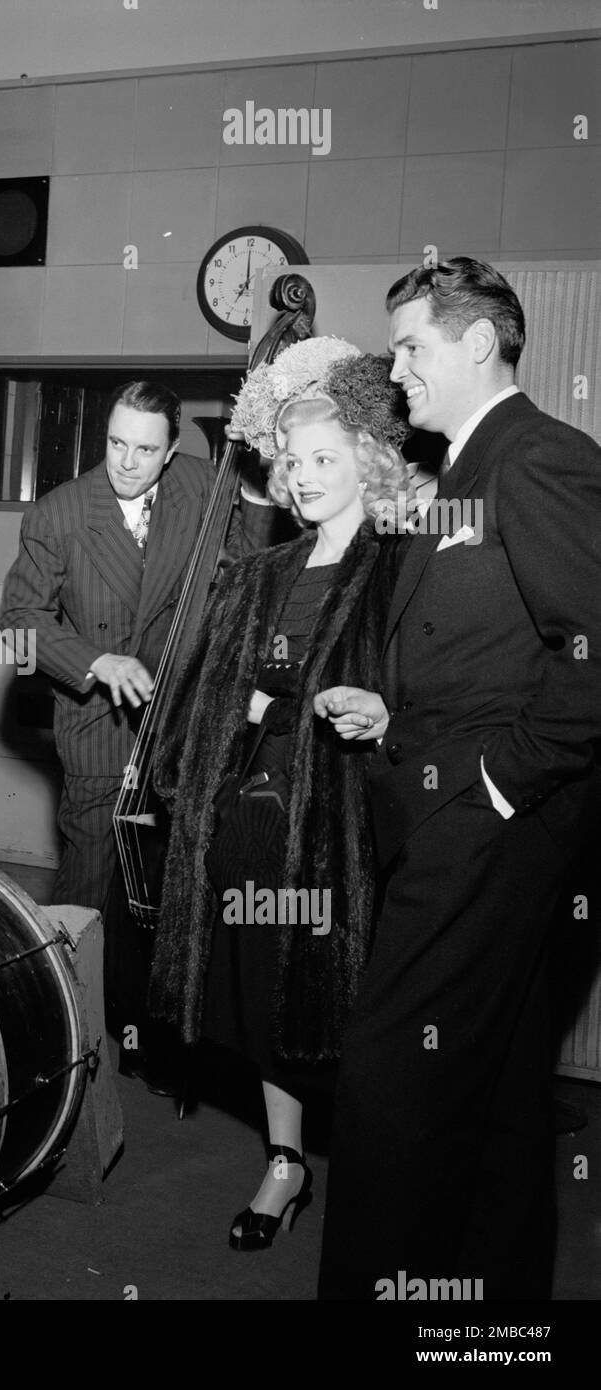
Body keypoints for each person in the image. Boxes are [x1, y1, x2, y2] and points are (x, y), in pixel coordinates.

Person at [317, 258, 601, 1299]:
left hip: (490, 829)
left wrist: (494, 785)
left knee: (391, 1081)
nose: (396, 372)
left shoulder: (536, 459)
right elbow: (499, 651)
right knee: (495, 1094)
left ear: (478, 342)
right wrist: (399, 714)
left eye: (411, 348)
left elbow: (591, 654)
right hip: (472, 813)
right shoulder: (470, 469)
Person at [149, 351, 410, 1250]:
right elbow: (206, 709)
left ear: (368, 463)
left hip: (349, 834)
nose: (301, 479)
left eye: (322, 461)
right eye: (290, 463)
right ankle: (287, 1163)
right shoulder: (261, 574)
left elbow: (421, 698)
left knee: (352, 1012)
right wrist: (249, 710)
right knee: (267, 1003)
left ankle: (381, 1177)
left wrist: (325, 709)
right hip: (255, 825)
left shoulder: (398, 568)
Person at [0, 380, 274, 1083]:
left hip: (181, 722)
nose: (126, 461)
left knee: (169, 884)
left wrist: (262, 485)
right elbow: (20, 623)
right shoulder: (60, 512)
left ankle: (154, 1028)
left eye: (145, 449)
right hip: (99, 725)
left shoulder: (199, 483)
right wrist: (92, 659)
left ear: (172, 448)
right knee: (91, 882)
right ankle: (68, 1032)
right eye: (116, 443)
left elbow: (248, 560)